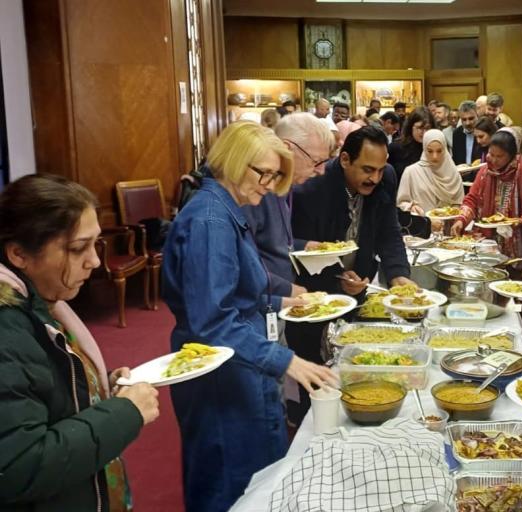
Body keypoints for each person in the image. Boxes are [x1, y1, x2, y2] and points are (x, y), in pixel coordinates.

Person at [162, 121, 337, 512]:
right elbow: (212, 321)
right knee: (232, 485)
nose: (269, 185)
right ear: (235, 161)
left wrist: (279, 303)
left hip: (240, 365)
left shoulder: (227, 209)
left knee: (256, 479)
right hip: (223, 378)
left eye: (275, 176)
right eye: (264, 174)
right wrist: (286, 359)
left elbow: (236, 293)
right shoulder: (210, 220)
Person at [0, 174, 160, 511]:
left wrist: (101, 387)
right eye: (77, 248)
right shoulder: (7, 327)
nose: (95, 261)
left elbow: (44, 387)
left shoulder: (41, 302)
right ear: (19, 254)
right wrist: (124, 412)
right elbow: (19, 465)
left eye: (95, 244)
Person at [288, 126, 415, 419]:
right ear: (345, 159)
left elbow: (389, 231)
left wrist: (398, 275)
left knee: (352, 365)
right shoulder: (311, 186)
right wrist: (335, 278)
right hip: (311, 296)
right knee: (314, 373)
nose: (375, 178)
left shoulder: (385, 179)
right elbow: (290, 247)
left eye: (381, 170)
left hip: (358, 285)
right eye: (368, 169)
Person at [452, 128, 522, 346]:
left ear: (512, 155)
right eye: (491, 155)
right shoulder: (485, 172)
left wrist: (521, 220)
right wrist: (461, 219)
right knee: (495, 298)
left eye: (499, 156)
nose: (493, 161)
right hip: (493, 248)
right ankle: (496, 341)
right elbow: (472, 199)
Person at [242, 113, 335, 312]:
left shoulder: (284, 187)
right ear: (287, 149)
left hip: (275, 300)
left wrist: (304, 245)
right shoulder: (258, 190)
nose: (321, 171)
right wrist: (290, 289)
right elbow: (243, 263)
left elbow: (269, 241)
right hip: (259, 304)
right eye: (316, 161)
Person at [397, 129, 464, 218]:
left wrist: (452, 212)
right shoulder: (411, 172)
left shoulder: (453, 173)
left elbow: (460, 203)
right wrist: (411, 207)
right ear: (424, 149)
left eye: (439, 151)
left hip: (450, 227)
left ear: (445, 149)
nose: (434, 156)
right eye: (430, 151)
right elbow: (401, 203)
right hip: (422, 227)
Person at [387, 106, 435, 182]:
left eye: (428, 128)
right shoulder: (395, 148)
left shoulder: (434, 148)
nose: (424, 132)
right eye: (420, 128)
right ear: (410, 127)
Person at [452, 101, 482, 166]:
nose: (467, 123)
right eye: (464, 119)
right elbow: (455, 158)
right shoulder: (457, 133)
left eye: (471, 118)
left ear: (477, 115)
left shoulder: (483, 132)